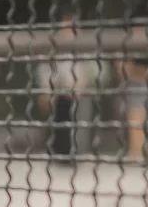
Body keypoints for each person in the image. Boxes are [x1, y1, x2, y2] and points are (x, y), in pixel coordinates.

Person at [36, 15, 100, 165]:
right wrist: (48, 90)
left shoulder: (83, 46)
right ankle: (60, 155)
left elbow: (90, 69)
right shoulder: (56, 45)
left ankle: (77, 153)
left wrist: (82, 85)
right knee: (60, 124)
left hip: (78, 91)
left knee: (79, 124)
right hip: (60, 91)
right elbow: (47, 69)